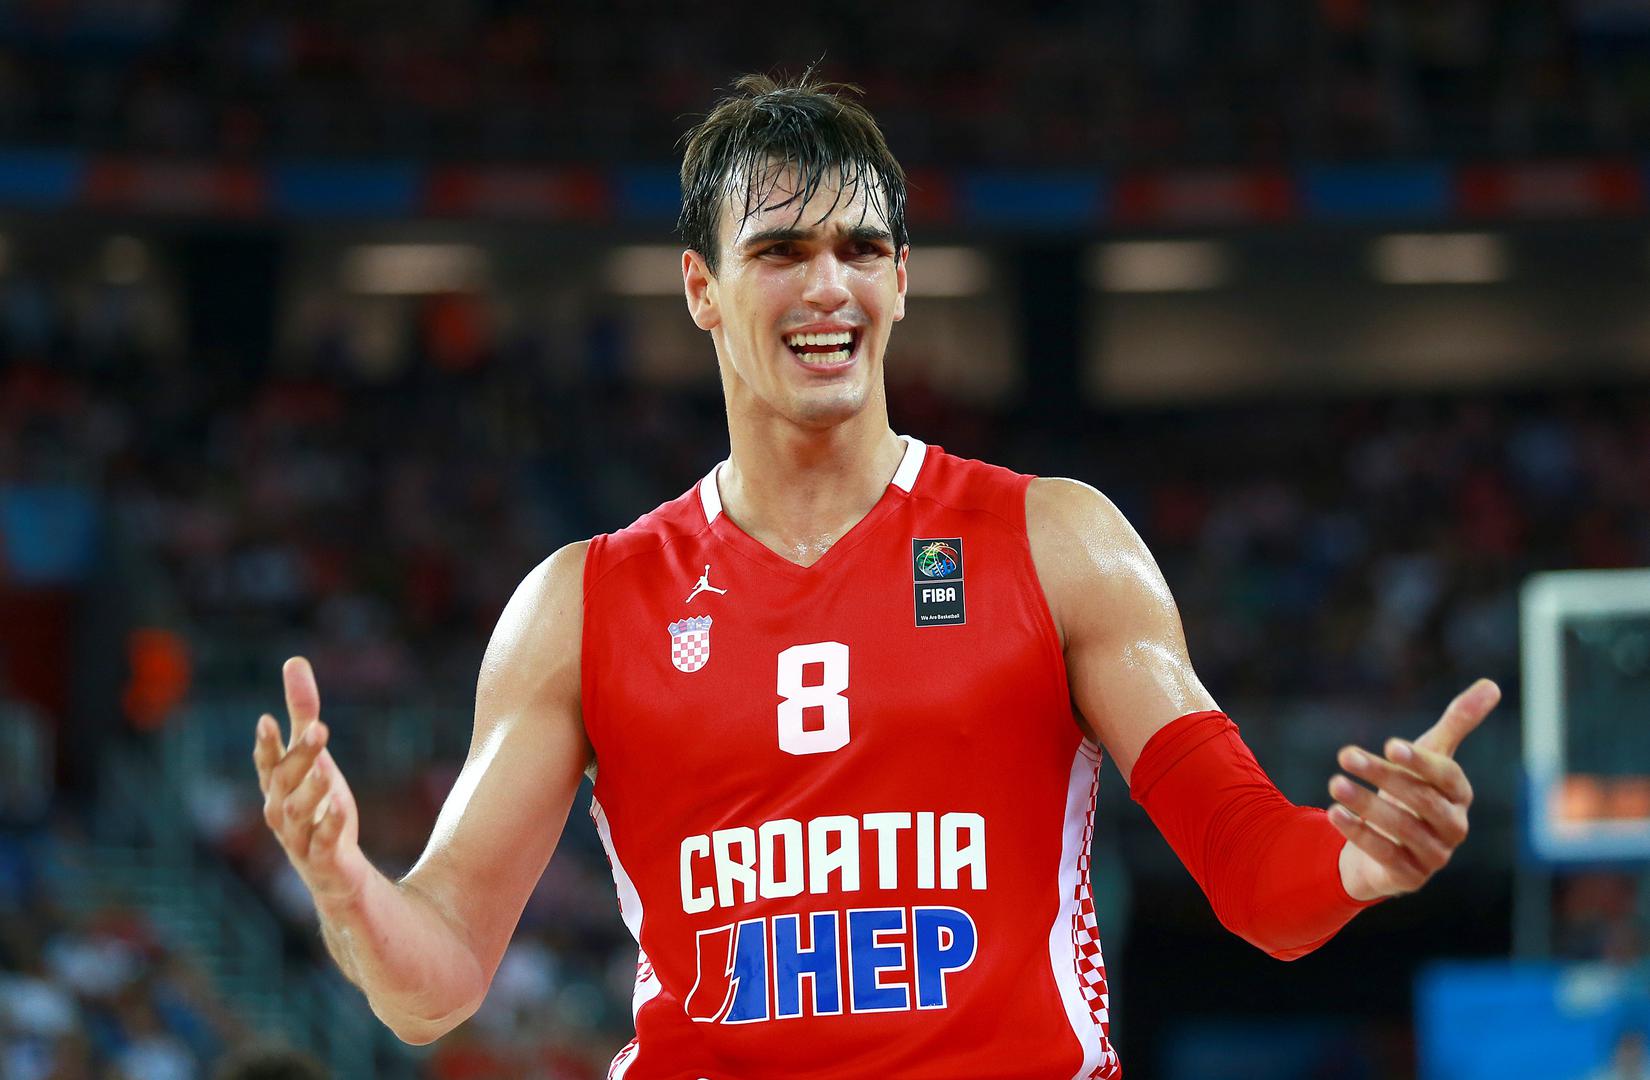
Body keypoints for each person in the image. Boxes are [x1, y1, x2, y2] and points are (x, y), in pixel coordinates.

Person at [251, 72, 1499, 1079]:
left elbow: (1254, 876)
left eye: (861, 247)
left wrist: (1359, 860)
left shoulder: (1058, 542)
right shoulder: (582, 603)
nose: (828, 286)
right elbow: (438, 980)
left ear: (901, 280)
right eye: (781, 251)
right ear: (701, 289)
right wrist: (346, 883)